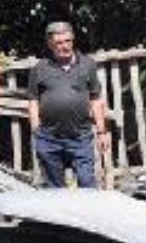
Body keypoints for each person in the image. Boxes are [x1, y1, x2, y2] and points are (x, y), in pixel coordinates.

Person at [27, 22, 109, 188]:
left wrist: (101, 131)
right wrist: (36, 129)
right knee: (55, 190)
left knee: (87, 184)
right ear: (50, 44)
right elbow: (33, 101)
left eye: (68, 41)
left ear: (73, 40)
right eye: (59, 43)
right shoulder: (40, 69)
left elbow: (95, 99)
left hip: (81, 137)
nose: (64, 46)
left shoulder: (87, 65)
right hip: (49, 139)